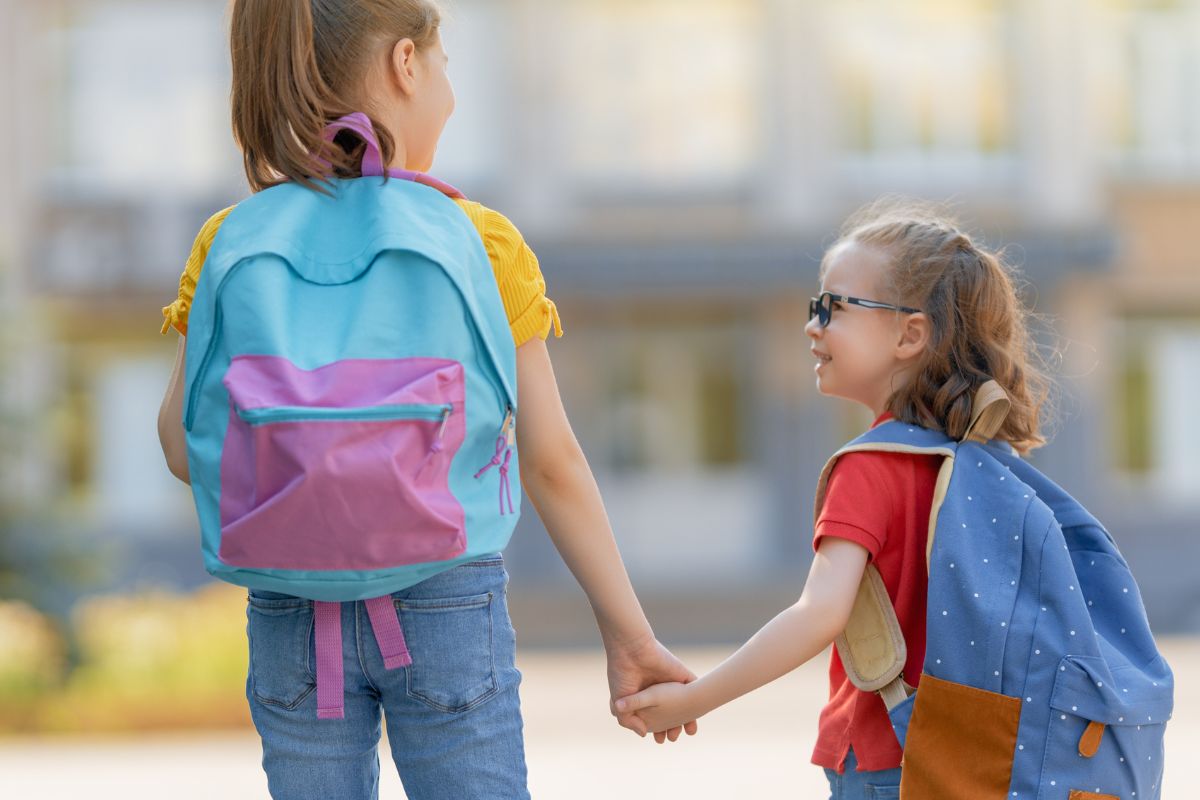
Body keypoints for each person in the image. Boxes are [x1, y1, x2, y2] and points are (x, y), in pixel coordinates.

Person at [156, 2, 695, 797]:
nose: (449, 91)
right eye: (445, 68)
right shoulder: (479, 239)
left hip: (289, 604)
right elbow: (551, 461)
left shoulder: (230, 238)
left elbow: (180, 444)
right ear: (406, 64)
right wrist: (629, 635)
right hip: (446, 595)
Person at [615, 200, 1052, 798]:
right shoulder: (984, 459)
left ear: (910, 333)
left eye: (833, 307)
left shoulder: (873, 466)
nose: (811, 325)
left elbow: (819, 613)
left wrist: (695, 699)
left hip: (884, 762)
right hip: (976, 756)